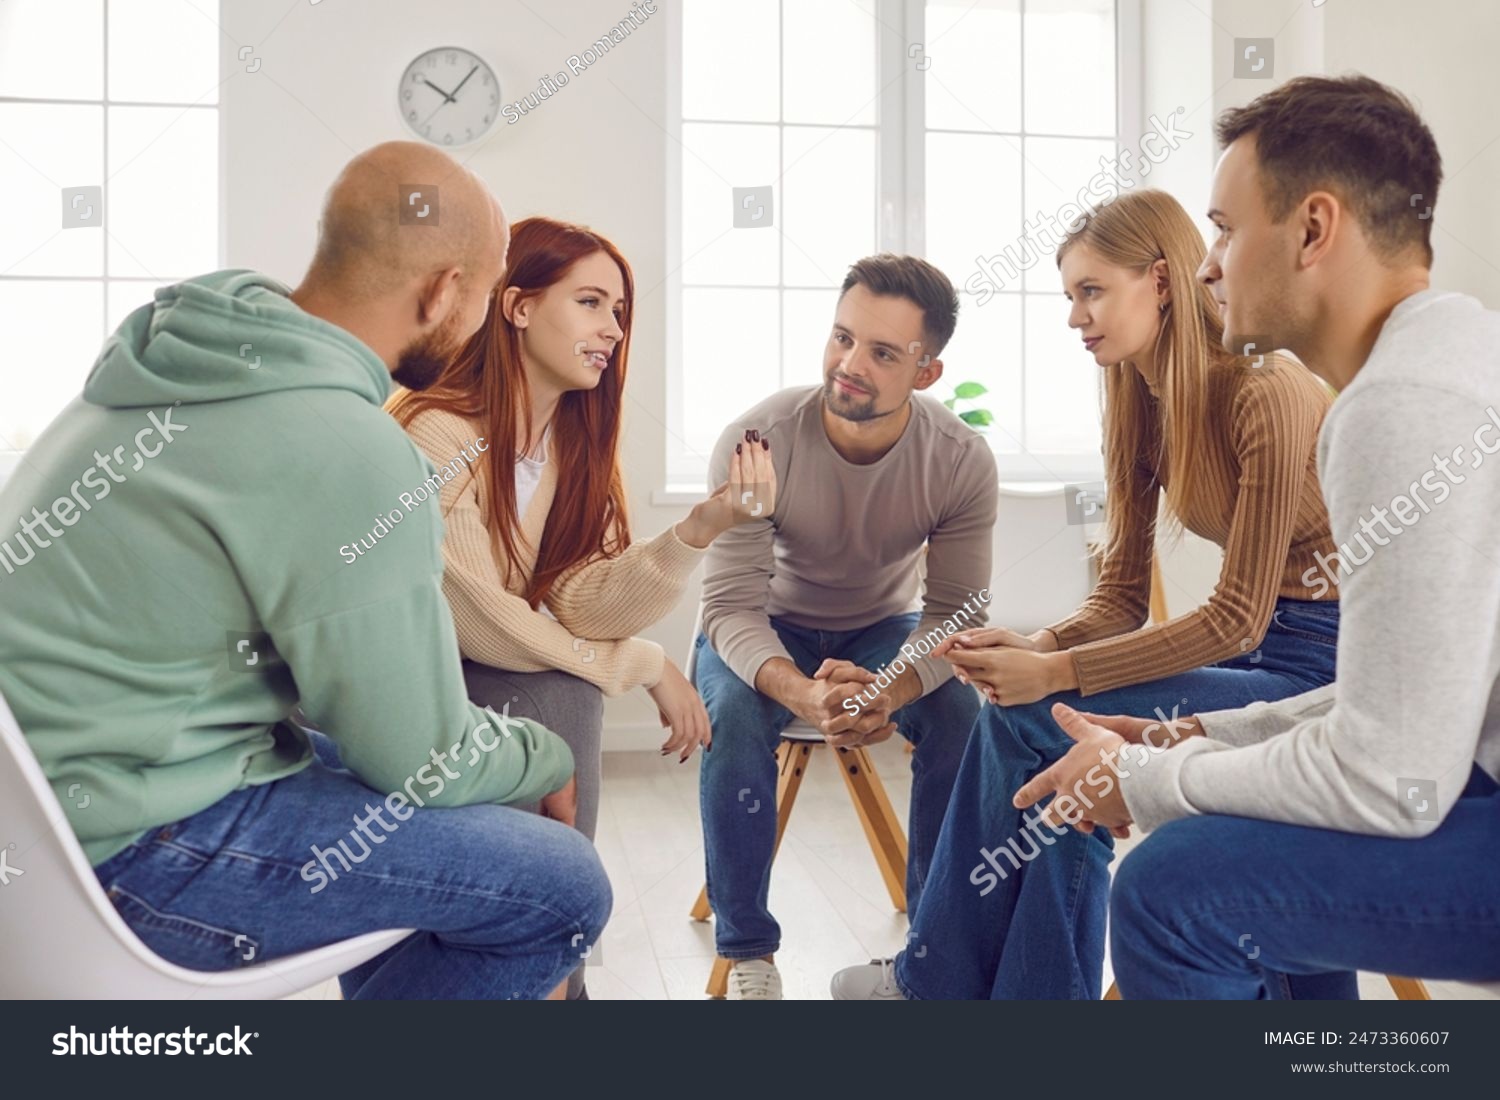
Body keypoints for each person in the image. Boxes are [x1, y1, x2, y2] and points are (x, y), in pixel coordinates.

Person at [0, 142, 610, 1000]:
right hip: (124, 860)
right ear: (441, 292)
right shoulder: (349, 446)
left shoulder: (174, 361)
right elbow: (419, 757)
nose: (474, 333)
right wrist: (544, 755)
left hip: (44, 813)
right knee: (562, 884)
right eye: (477, 299)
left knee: (362, 781)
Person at [1036, 74, 1500, 998]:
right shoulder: (1453, 353)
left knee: (1175, 889)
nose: (1208, 265)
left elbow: (1383, 780)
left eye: (1225, 229)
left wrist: (1150, 777)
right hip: (1468, 768)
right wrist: (1188, 736)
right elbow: (1404, 714)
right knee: (1237, 851)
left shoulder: (1396, 409)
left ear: (1314, 230)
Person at [833, 188, 1351, 1000]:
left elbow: (1236, 615)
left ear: (1162, 280)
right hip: (1254, 652)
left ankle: (936, 986)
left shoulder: (1266, 394)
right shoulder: (1137, 395)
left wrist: (1057, 676)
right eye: (1069, 296)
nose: (1076, 317)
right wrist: (1034, 649)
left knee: (1038, 718)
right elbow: (1120, 596)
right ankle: (1000, 995)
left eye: (1092, 291)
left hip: (1318, 666)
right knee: (1030, 720)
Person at [389, 216, 772, 998]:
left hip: (482, 677)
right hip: (400, 684)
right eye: (592, 303)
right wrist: (646, 664)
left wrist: (703, 527)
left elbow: (586, 602)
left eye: (620, 312)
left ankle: (552, 966)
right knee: (564, 693)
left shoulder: (568, 444)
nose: (612, 329)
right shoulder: (438, 433)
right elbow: (477, 613)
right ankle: (555, 973)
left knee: (563, 692)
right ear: (519, 306)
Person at [695, 253, 997, 999]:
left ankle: (929, 951)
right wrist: (802, 694)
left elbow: (957, 611)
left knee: (960, 710)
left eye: (882, 353)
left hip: (879, 630)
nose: (849, 365)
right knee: (731, 715)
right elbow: (729, 604)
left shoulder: (959, 460)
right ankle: (748, 953)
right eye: (842, 337)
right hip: (765, 625)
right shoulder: (758, 440)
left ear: (926, 373)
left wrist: (888, 692)